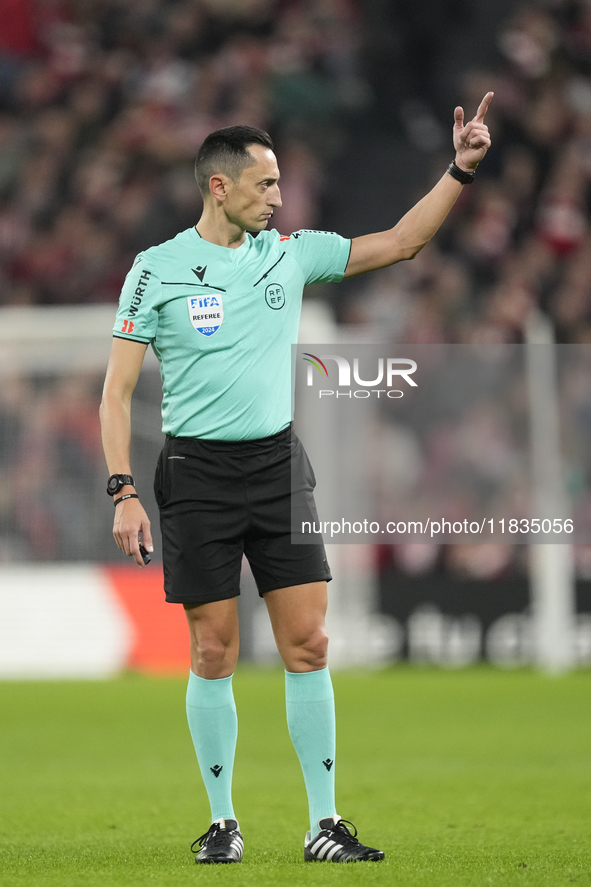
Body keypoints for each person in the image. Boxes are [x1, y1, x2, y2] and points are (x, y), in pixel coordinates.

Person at [99, 93, 493, 865]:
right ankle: (222, 821)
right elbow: (114, 393)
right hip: (195, 471)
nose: (278, 199)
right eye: (264, 186)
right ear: (219, 186)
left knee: (307, 642)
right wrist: (122, 490)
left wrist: (459, 169)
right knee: (213, 650)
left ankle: (324, 822)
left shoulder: (290, 252)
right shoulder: (156, 270)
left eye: (279, 185)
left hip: (277, 466)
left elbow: (404, 242)